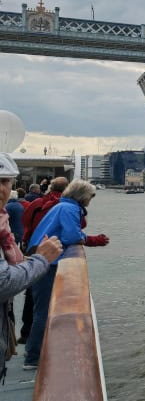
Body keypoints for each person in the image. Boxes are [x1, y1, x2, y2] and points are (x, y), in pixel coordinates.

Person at [24, 179, 109, 370]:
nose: (90, 200)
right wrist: (93, 240)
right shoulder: (69, 209)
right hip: (48, 263)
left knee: (42, 308)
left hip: (40, 259)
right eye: (90, 197)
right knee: (43, 311)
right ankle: (32, 358)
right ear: (82, 196)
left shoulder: (61, 206)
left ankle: (35, 352)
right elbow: (73, 236)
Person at [0, 153, 64, 383]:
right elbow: (3, 282)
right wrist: (41, 260)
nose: (1, 189)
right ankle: (33, 356)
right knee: (40, 311)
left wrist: (28, 258)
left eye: (5, 181)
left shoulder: (4, 220)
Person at [18, 176, 70, 344]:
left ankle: (26, 333)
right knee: (46, 297)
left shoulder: (37, 203)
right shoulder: (64, 206)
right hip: (53, 251)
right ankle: (42, 342)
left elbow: (25, 220)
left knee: (31, 292)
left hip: (31, 246)